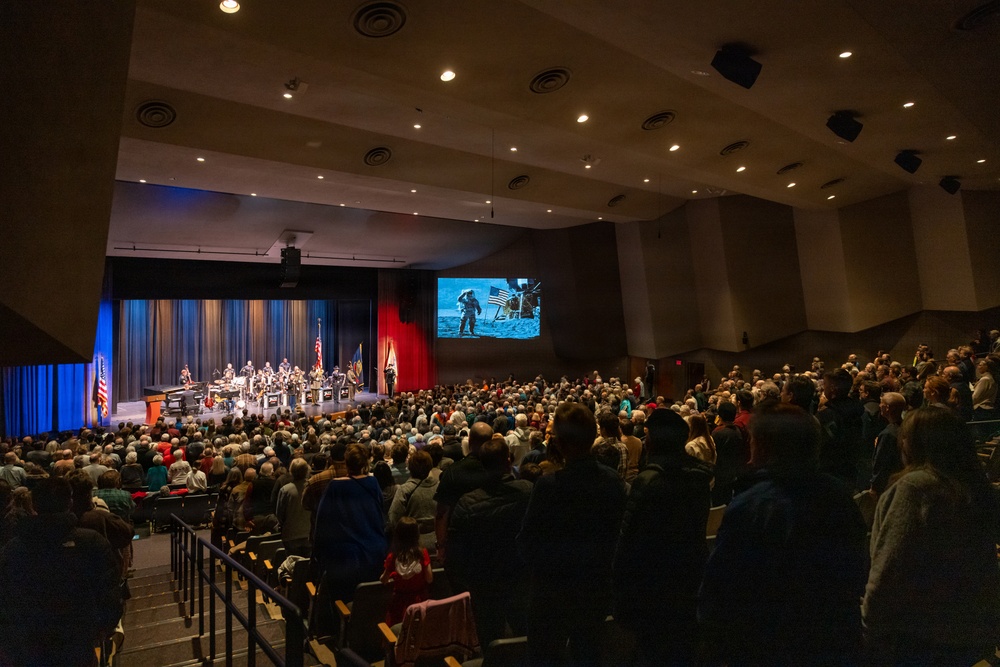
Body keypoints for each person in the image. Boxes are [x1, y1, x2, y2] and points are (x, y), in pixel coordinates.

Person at [698, 404, 868, 664]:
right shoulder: (840, 497)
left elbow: (722, 587)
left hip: (765, 644)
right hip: (831, 641)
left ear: (763, 448)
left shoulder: (751, 506)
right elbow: (857, 569)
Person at [863, 406, 1000, 664]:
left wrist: (868, 625)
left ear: (914, 444)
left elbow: (889, 568)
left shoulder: (915, 489)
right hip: (971, 627)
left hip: (919, 633)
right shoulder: (977, 488)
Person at [518, 402, 627, 667]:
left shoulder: (548, 487)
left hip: (552, 593)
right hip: (596, 590)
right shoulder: (613, 481)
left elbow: (528, 541)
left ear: (560, 443)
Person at [613, 408, 712, 666]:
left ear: (656, 441)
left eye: (647, 435)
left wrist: (621, 593)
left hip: (652, 586)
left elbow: (629, 541)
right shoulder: (700, 479)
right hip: (690, 580)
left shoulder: (648, 482)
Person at [0, 476, 123, 666]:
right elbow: (109, 591)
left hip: (30, 641)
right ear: (69, 502)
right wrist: (102, 629)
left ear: (34, 505)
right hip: (79, 639)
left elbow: (6, 598)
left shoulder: (13, 549)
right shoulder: (91, 542)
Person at [448, 436, 532, 648]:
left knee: (491, 642)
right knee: (527, 639)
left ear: (482, 465)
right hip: (522, 577)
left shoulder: (467, 503)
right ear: (508, 461)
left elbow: (456, 551)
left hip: (485, 583)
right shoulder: (529, 491)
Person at [313, 444, 387, 603]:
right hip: (375, 552)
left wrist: (318, 554)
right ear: (365, 462)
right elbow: (381, 515)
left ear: (346, 463)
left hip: (345, 558)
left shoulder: (335, 486)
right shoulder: (373, 482)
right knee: (370, 602)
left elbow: (322, 523)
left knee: (343, 602)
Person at [380, 516, 433, 627]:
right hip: (419, 601)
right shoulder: (422, 553)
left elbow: (384, 580)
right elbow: (429, 578)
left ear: (397, 535)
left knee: (397, 631)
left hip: (399, 604)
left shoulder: (393, 556)